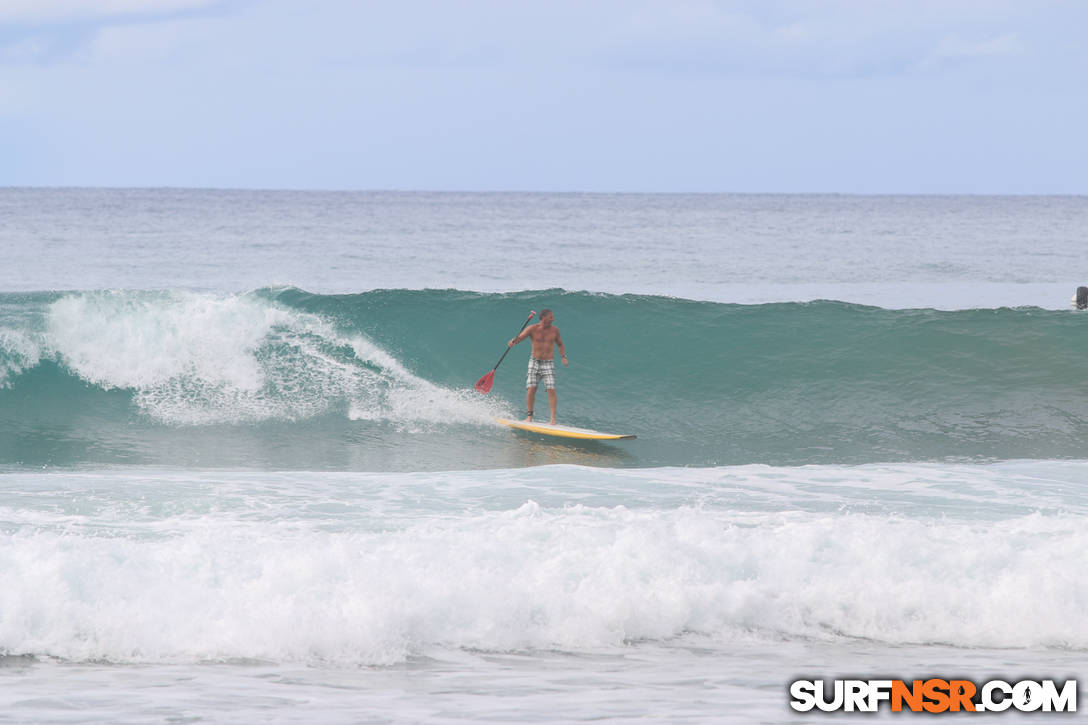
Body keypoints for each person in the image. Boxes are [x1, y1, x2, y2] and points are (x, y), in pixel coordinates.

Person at [507, 308, 567, 424]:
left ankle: (553, 419)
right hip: (534, 361)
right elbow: (520, 338)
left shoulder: (555, 331)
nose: (553, 318)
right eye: (551, 317)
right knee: (531, 388)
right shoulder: (532, 329)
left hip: (548, 362)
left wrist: (563, 356)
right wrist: (513, 341)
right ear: (543, 318)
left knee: (551, 389)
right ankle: (529, 416)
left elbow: (560, 344)